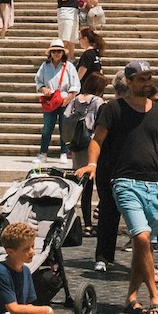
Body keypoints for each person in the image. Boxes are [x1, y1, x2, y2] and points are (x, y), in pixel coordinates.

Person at [76, 60, 158, 314]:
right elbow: (97, 140)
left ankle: (131, 298)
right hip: (123, 181)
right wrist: (93, 164)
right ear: (128, 81)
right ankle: (155, 296)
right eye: (142, 78)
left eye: (149, 77)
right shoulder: (112, 109)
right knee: (141, 239)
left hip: (153, 184)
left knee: (146, 247)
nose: (147, 82)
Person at [66, 72, 108, 235]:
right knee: (103, 183)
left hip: (78, 145)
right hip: (93, 143)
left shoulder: (76, 99)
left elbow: (66, 117)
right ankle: (99, 210)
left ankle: (87, 225)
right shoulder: (98, 101)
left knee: (85, 187)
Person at [35, 39, 81, 165]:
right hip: (51, 100)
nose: (56, 54)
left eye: (59, 51)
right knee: (47, 128)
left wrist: (69, 98)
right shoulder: (45, 66)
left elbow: (75, 84)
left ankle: (64, 152)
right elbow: (39, 81)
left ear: (62, 53)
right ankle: (43, 153)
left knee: (64, 128)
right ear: (50, 53)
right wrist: (44, 89)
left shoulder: (69, 66)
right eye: (54, 51)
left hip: (64, 99)